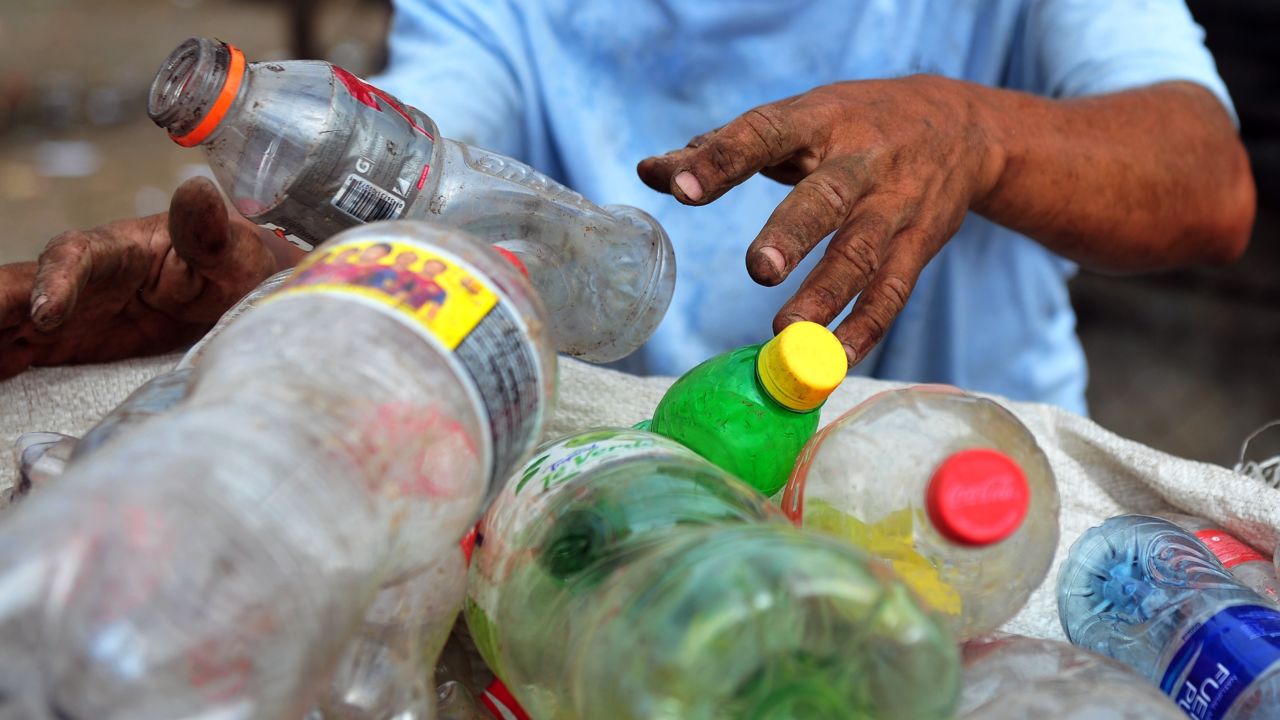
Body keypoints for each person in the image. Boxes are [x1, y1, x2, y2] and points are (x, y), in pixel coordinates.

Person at [0, 1, 1255, 415]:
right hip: (627, 481)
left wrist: (971, 129)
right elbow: (401, 172)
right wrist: (262, 285)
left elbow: (1204, 181)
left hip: (961, 483)